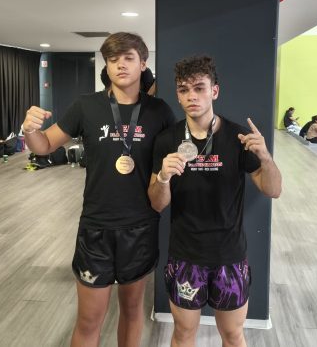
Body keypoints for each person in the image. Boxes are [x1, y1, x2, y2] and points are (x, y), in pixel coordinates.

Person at [23, 32, 175, 347]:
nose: (121, 65)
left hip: (140, 226)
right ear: (106, 65)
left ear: (143, 63)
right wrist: (30, 130)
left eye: (129, 58)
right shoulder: (86, 106)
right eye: (113, 59)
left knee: (132, 311)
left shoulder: (159, 111)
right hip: (96, 226)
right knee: (89, 319)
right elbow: (45, 145)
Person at [147, 55, 282, 347]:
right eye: (184, 89)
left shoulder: (238, 137)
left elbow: (273, 190)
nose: (191, 96)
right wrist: (163, 178)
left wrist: (265, 157)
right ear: (178, 95)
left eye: (199, 88)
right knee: (183, 333)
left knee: (233, 335)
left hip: (229, 256)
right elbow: (157, 204)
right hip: (186, 255)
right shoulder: (167, 140)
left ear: (214, 91)